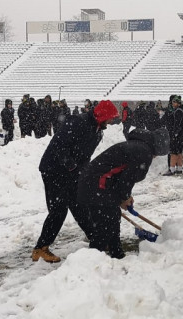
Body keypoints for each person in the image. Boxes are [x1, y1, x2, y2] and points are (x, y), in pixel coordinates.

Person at [31, 100, 119, 263]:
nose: (112, 121)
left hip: (70, 172)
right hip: (53, 170)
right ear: (102, 116)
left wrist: (85, 172)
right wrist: (71, 166)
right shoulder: (78, 122)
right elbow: (59, 146)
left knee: (79, 203)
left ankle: (96, 239)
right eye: (110, 118)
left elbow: (85, 155)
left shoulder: (98, 130)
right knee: (59, 209)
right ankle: (40, 248)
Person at [76, 128, 171, 257]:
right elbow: (126, 180)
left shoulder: (136, 146)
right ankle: (93, 258)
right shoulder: (143, 152)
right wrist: (124, 197)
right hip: (97, 185)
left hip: (92, 183)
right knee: (105, 224)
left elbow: (121, 176)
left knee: (112, 218)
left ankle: (116, 253)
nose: (155, 158)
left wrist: (124, 197)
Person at [164, 96, 183, 176]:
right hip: (181, 135)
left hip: (178, 135)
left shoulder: (178, 111)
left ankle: (172, 169)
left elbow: (177, 124)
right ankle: (179, 169)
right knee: (179, 151)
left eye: (174, 102)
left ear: (178, 103)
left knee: (174, 152)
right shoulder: (181, 110)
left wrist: (175, 134)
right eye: (173, 102)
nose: (173, 103)